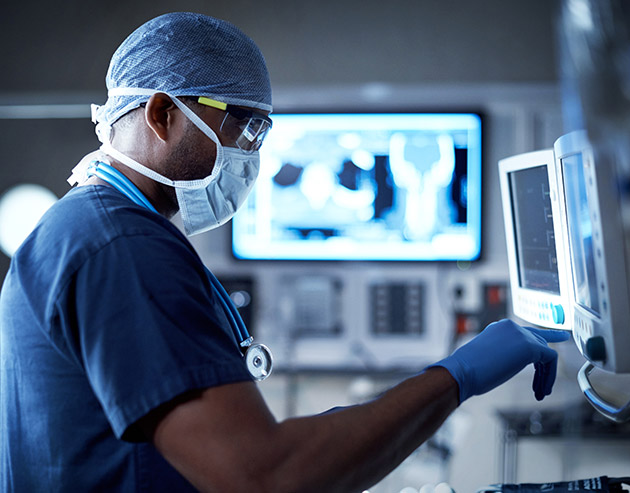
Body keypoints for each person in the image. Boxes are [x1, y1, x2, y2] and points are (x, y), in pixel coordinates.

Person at [0, 12, 570, 492]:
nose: (253, 157)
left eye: (263, 134)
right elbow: (265, 476)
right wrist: (460, 375)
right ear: (162, 113)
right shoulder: (122, 247)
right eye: (244, 129)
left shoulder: (83, 228)